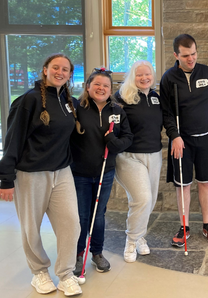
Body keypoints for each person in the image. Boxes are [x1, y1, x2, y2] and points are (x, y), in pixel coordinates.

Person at [0, 53, 83, 296]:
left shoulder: (68, 101)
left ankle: (66, 274)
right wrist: (6, 179)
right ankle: (39, 272)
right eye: (55, 67)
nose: (60, 72)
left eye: (65, 69)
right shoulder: (28, 101)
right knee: (31, 228)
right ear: (45, 69)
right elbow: (13, 140)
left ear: (70, 74)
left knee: (71, 224)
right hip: (31, 174)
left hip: (62, 172)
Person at [160, 34, 208, 247]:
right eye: (186, 55)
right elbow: (166, 113)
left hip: (206, 138)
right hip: (182, 141)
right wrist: (174, 136)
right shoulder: (169, 78)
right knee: (183, 185)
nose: (191, 59)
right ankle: (184, 226)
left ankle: (207, 225)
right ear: (176, 55)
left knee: (206, 182)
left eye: (194, 54)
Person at [71, 68, 133, 275]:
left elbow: (127, 138)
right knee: (81, 216)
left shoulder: (117, 110)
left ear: (110, 89)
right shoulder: (76, 108)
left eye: (106, 85)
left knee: (98, 216)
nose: (101, 88)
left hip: (104, 173)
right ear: (88, 86)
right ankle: (78, 254)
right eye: (97, 84)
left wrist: (112, 141)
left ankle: (96, 252)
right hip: (79, 173)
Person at [114, 60, 163, 263]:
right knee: (142, 199)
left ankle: (140, 235)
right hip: (129, 156)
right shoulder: (121, 97)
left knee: (149, 201)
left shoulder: (155, 97)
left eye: (148, 74)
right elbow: (113, 125)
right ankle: (132, 240)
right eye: (139, 75)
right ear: (132, 76)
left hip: (154, 154)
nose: (144, 78)